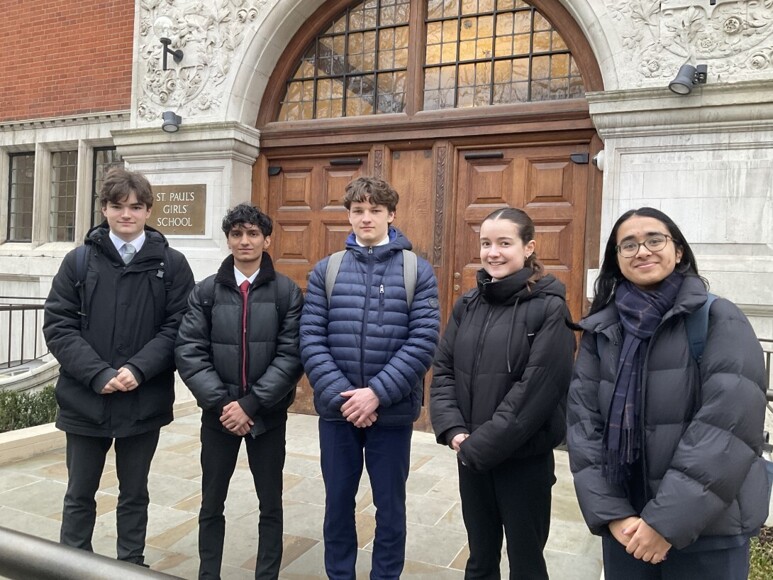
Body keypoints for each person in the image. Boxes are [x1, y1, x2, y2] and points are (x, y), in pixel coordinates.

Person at [566, 207, 768, 579]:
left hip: (707, 531)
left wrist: (665, 523)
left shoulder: (719, 318)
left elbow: (729, 427)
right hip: (627, 530)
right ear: (617, 259)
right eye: (628, 245)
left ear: (678, 251)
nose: (642, 251)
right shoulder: (603, 330)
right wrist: (613, 514)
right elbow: (583, 424)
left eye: (654, 240)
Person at [43, 167, 195, 566]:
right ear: (104, 209)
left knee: (134, 494)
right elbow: (59, 326)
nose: (126, 214)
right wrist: (98, 373)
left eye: (136, 207)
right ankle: (72, 565)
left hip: (142, 399)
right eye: (117, 206)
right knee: (79, 493)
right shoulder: (78, 262)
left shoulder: (172, 265)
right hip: (85, 400)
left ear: (148, 211)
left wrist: (139, 369)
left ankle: (131, 565)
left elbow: (179, 327)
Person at [300, 176, 440, 579]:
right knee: (338, 504)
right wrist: (347, 398)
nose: (366, 218)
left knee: (390, 508)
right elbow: (310, 338)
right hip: (338, 412)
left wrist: (376, 394)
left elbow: (423, 340)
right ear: (348, 215)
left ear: (390, 214)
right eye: (358, 210)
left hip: (391, 413)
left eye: (375, 210)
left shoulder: (417, 271)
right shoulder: (327, 270)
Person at [430, 207, 575, 579]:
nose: (492, 253)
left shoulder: (550, 309)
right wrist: (453, 430)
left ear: (529, 248)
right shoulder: (467, 304)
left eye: (504, 243)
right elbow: (443, 370)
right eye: (486, 243)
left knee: (526, 564)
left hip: (523, 462)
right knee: (480, 560)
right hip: (471, 457)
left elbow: (537, 391)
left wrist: (479, 446)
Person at [174, 203, 304, 580]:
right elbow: (189, 351)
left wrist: (252, 403)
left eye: (252, 234)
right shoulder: (206, 291)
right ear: (228, 240)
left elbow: (291, 354)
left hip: (267, 416)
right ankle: (208, 573)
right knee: (212, 503)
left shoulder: (286, 292)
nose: (244, 241)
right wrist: (222, 403)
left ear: (266, 240)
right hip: (219, 417)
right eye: (236, 234)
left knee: (270, 504)